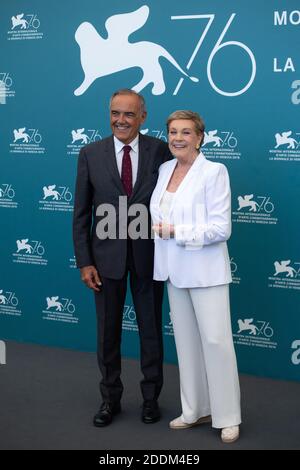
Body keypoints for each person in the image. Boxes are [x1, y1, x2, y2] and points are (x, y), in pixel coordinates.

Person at [73, 89, 172, 427]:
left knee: (150, 332)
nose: (121, 120)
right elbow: (81, 213)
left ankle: (150, 400)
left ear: (143, 116)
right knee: (107, 334)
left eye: (129, 114)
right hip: (105, 260)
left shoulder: (160, 150)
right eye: (115, 112)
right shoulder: (90, 153)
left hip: (149, 257)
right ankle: (109, 400)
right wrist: (85, 261)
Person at [150, 110, 241, 443]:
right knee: (186, 344)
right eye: (173, 132)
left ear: (200, 136)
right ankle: (195, 409)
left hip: (206, 272)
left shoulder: (214, 171)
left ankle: (228, 415)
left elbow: (221, 228)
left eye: (186, 132)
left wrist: (176, 231)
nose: (178, 138)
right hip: (173, 271)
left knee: (216, 343)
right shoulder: (163, 169)